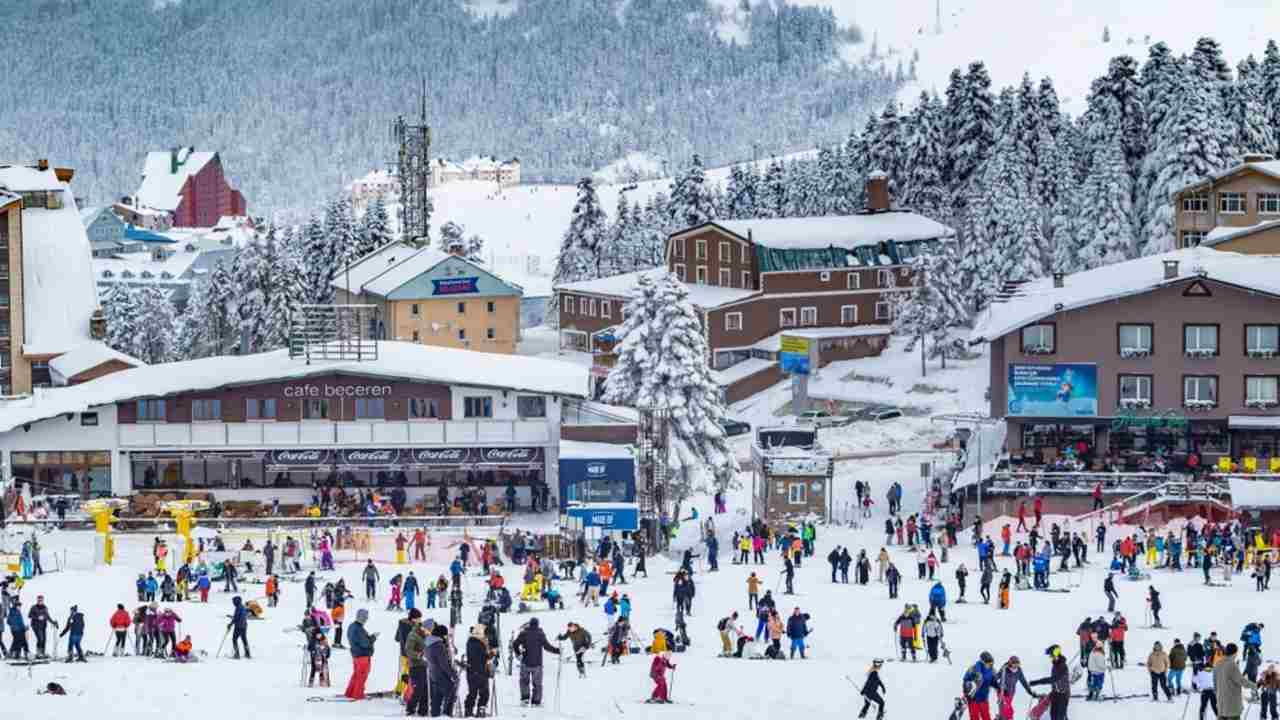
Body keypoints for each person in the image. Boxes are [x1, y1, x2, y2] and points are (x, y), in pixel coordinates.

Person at [512, 617, 560, 707]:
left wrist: (518, 654)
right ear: (538, 624)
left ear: (529, 624)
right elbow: (547, 647)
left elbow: (515, 644)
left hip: (525, 662)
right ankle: (536, 702)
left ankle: (525, 699)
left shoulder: (523, 633)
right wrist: (557, 651)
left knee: (524, 681)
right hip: (537, 664)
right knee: (537, 683)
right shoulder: (540, 634)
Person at [1216, 643, 1258, 720]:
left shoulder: (1218, 663)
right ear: (1234, 653)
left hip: (1221, 702)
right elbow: (1241, 681)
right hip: (1231, 704)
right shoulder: (1232, 665)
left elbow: (1220, 679)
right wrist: (1254, 685)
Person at [1029, 645, 1071, 720]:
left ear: (1056, 653)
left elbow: (1053, 679)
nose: (1050, 658)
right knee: (1053, 716)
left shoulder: (1062, 666)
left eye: (1051, 655)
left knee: (1060, 717)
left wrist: (1036, 682)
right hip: (1055, 693)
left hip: (1063, 695)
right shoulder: (1055, 664)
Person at [344, 608, 378, 700]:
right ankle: (358, 694)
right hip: (362, 655)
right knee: (361, 676)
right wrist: (373, 637)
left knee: (356, 675)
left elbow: (360, 640)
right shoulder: (358, 628)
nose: (366, 619)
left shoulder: (352, 626)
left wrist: (369, 637)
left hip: (356, 654)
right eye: (365, 617)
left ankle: (350, 692)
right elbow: (365, 643)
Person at [464, 624, 494, 717]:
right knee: (484, 693)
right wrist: (492, 653)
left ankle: (468, 711)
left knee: (472, 692)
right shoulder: (480, 643)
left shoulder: (469, 642)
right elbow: (484, 657)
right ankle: (481, 710)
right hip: (481, 671)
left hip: (471, 671)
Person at [962, 651, 996, 720]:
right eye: (988, 662)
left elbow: (992, 681)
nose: (989, 664)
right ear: (982, 661)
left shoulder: (992, 670)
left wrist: (998, 687)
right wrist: (966, 690)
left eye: (991, 662)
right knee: (974, 716)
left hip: (984, 697)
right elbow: (965, 679)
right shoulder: (973, 668)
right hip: (973, 698)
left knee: (986, 716)